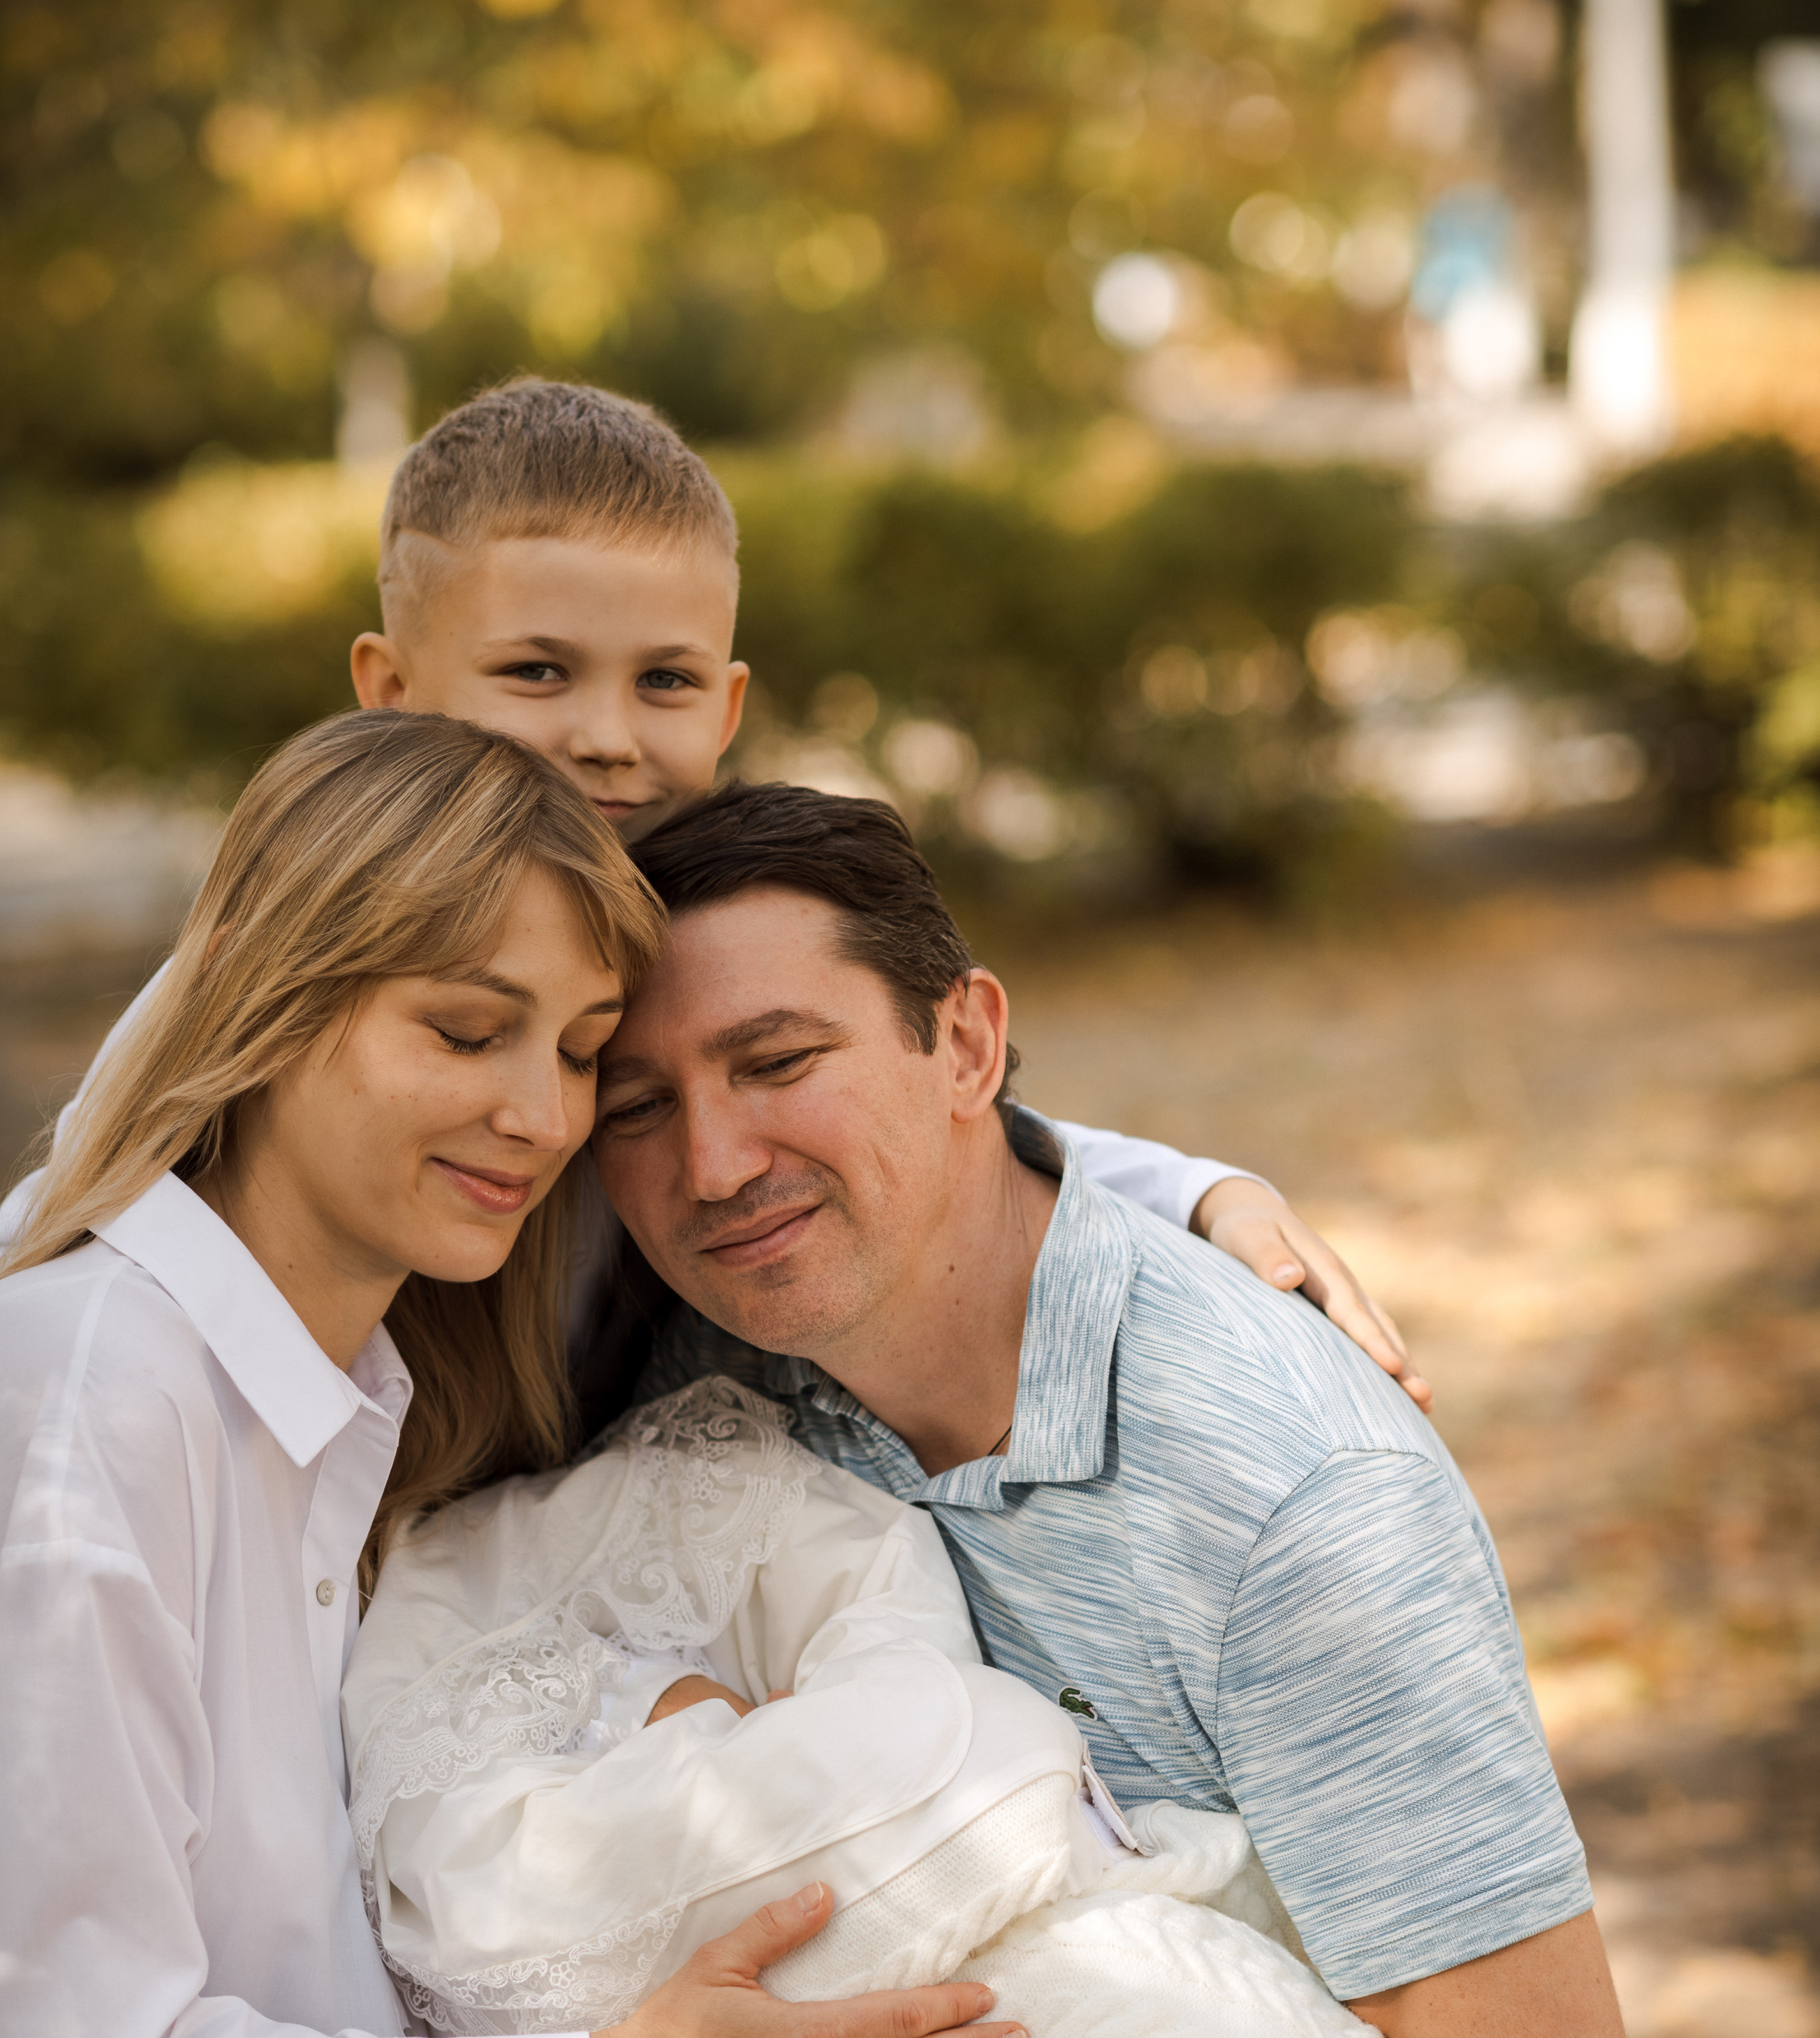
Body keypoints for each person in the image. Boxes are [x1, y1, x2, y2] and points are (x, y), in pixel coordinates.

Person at [294, 778, 1650, 2038]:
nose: (716, 1162)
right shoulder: (722, 1361)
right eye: (646, 1104)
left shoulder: (1286, 1483)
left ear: (970, 1043)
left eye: (780, 1062)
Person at [0, 713, 1034, 2038]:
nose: (541, 1115)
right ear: (277, 1005)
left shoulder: (354, 1407)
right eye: (467, 1030)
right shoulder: (90, 1415)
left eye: (577, 1053)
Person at [0, 380, 1429, 1423]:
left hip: (587, 1479)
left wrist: (1193, 1191)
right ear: (388, 689)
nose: (607, 735)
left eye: (664, 682)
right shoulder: (310, 956)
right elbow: (86, 1197)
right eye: (537, 674)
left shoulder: (683, 907)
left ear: (728, 703)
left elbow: (903, 1106)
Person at [340, 1371, 1434, 2038]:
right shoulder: (482, 1762)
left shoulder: (1288, 1474)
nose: (714, 1165)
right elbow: (942, 1750)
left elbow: (922, 1722)